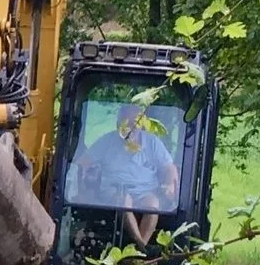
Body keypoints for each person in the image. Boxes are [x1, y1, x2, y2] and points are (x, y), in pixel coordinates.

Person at [64, 101, 180, 246]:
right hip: (114, 189)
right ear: (118, 124)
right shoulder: (107, 141)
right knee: (124, 201)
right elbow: (81, 163)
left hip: (145, 190)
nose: (129, 128)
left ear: (141, 124)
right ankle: (141, 247)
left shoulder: (153, 143)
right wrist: (81, 185)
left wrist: (170, 184)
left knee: (153, 204)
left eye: (133, 123)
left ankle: (139, 247)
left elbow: (169, 167)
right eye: (125, 123)